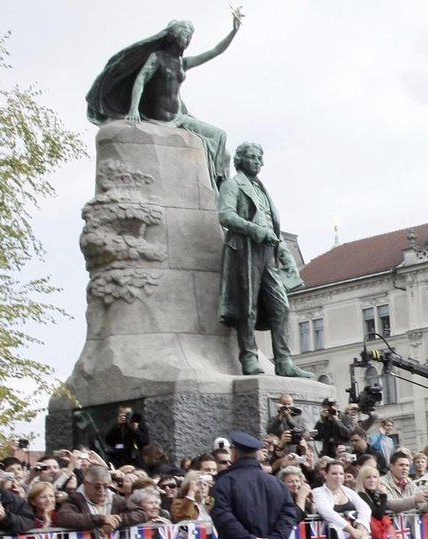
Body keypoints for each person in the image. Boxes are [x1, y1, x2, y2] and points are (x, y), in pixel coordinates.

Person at [86, 13, 240, 188]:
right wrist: (134, 109)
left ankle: (221, 189)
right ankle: (221, 187)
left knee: (219, 136)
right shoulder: (157, 58)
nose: (187, 39)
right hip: (161, 117)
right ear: (174, 35)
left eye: (190, 36)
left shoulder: (183, 63)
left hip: (179, 117)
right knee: (218, 136)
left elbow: (214, 52)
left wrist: (233, 31)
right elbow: (141, 79)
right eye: (185, 35)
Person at [217, 142, 313, 378]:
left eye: (260, 158)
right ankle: (248, 356)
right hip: (244, 249)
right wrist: (254, 230)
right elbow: (225, 215)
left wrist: (285, 253)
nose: (258, 162)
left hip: (267, 253)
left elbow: (272, 224)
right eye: (252, 157)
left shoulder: (261, 188)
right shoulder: (233, 184)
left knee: (281, 306)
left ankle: (283, 361)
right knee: (246, 305)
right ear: (240, 160)